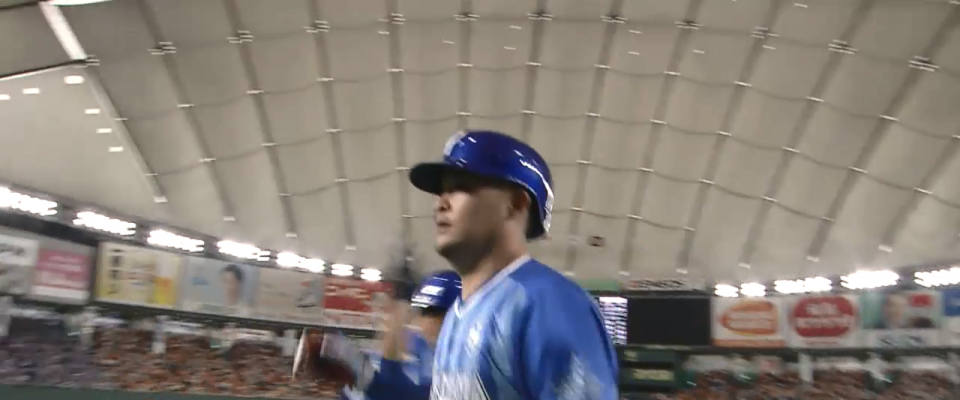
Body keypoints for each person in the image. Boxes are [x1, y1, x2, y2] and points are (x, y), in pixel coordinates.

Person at [407, 130, 619, 400]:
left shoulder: (551, 304)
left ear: (516, 204)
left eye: (461, 186)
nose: (441, 203)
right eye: (440, 191)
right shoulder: (455, 314)